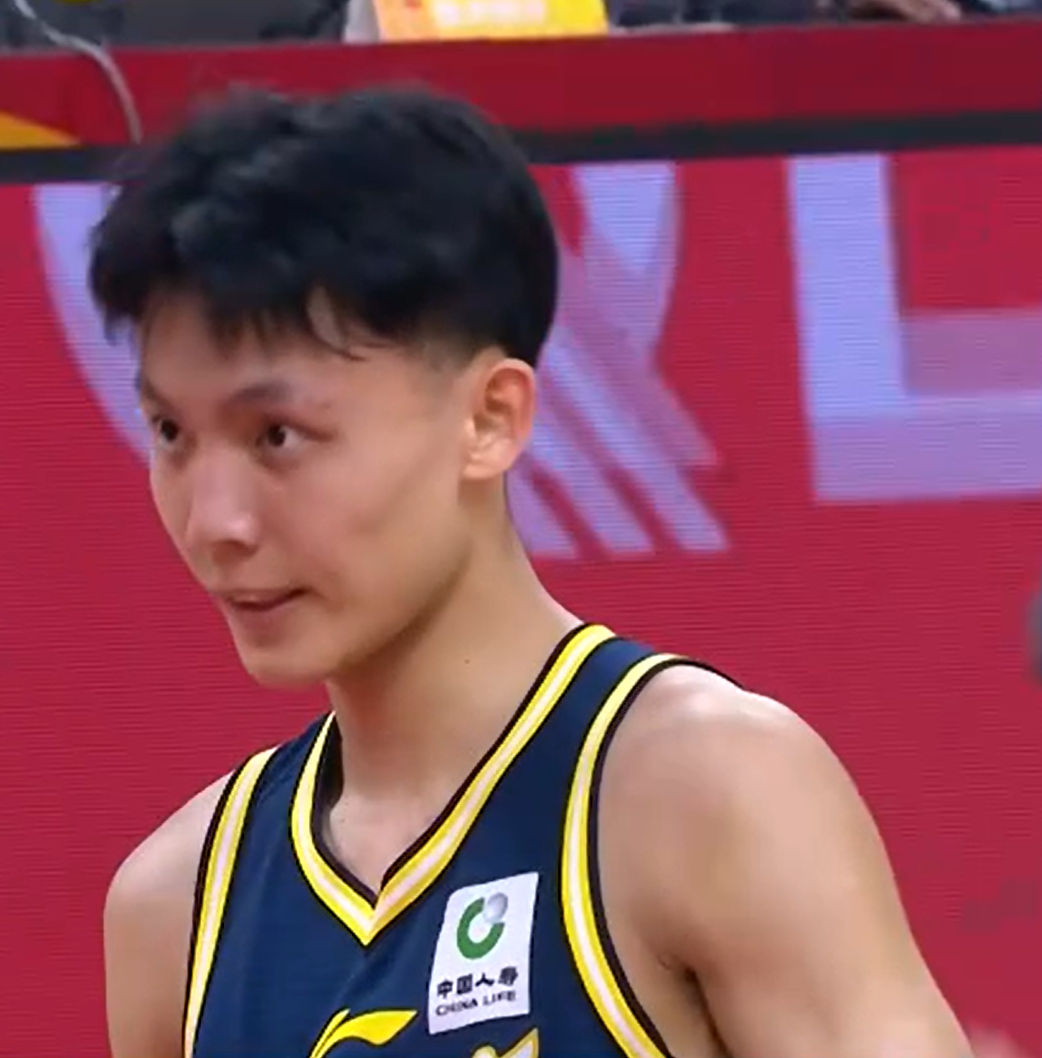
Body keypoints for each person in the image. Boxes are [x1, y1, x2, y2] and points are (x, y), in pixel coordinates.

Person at [90, 87, 971, 1058]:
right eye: (170, 432)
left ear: (490, 418)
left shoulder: (702, 791)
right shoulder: (176, 909)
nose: (215, 521)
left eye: (277, 436)